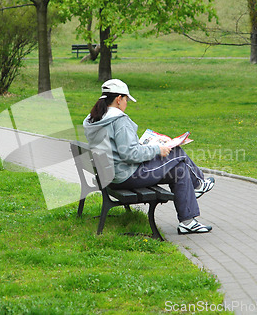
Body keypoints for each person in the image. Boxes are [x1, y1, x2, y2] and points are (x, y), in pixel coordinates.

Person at [83, 79, 215, 234]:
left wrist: (148, 146)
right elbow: (130, 154)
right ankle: (199, 184)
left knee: (179, 170)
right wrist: (157, 149)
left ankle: (188, 221)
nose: (127, 103)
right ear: (119, 99)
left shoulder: (94, 118)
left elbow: (120, 149)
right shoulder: (119, 121)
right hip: (126, 175)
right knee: (177, 152)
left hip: (110, 174)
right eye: (126, 99)